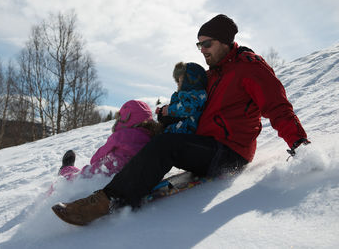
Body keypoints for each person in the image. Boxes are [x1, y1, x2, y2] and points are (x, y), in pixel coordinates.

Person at [52, 14, 310, 226]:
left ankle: (105, 201)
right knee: (161, 138)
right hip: (206, 144)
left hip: (229, 152)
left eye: (207, 44)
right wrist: (167, 113)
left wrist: (300, 144)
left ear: (223, 41)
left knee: (168, 146)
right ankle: (114, 180)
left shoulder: (250, 68)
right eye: (199, 45)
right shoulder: (214, 73)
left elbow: (277, 107)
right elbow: (192, 103)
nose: (202, 50)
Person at [57, 100, 157, 180]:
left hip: (105, 172)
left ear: (125, 119)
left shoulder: (121, 136)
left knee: (76, 178)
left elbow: (95, 159)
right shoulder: (153, 140)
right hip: (130, 176)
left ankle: (65, 170)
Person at [156, 62, 207, 134]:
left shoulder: (196, 94)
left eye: (180, 80)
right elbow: (179, 105)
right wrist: (163, 110)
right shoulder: (185, 94)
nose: (178, 83)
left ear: (189, 79)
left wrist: (169, 110)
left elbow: (188, 108)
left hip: (185, 129)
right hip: (178, 127)